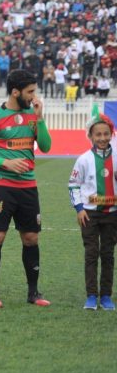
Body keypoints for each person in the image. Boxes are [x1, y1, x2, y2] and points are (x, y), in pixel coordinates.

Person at [0, 69, 52, 308]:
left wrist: (40, 119)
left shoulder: (33, 115)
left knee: (31, 238)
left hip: (28, 186)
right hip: (2, 186)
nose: (34, 96)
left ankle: (33, 293)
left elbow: (46, 147)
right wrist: (5, 162)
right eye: (30, 92)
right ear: (15, 92)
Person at [69, 106, 117, 311]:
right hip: (89, 214)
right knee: (91, 254)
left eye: (106, 133)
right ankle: (91, 296)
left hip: (112, 214)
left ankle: (106, 295)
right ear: (90, 136)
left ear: (111, 134)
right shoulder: (83, 159)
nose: (102, 138)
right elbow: (73, 185)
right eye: (98, 134)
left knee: (107, 254)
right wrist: (80, 209)